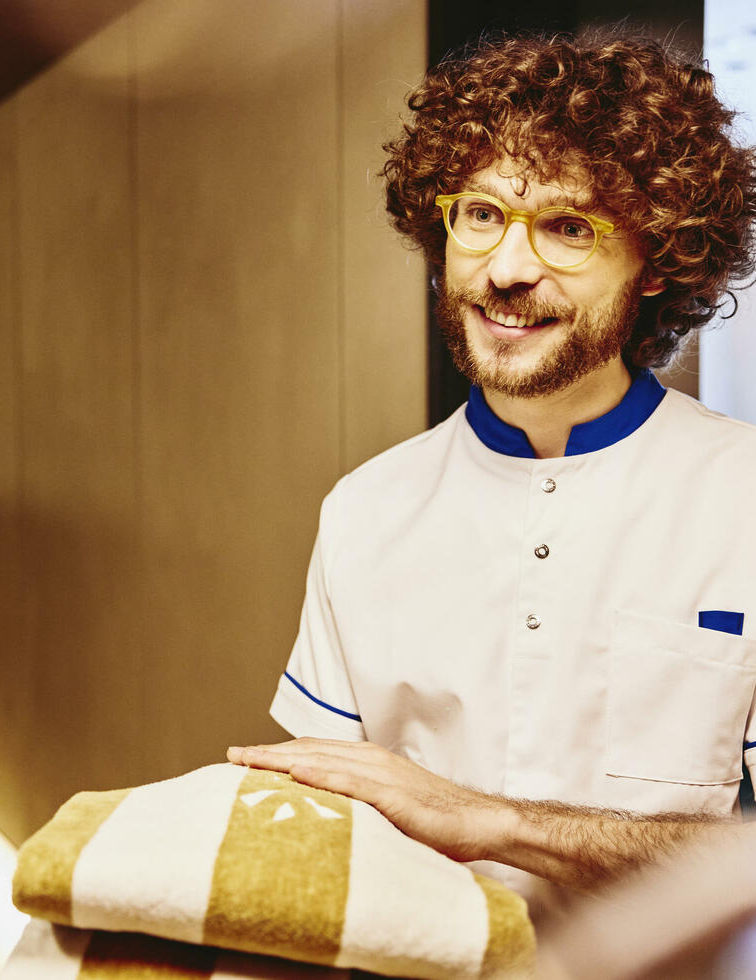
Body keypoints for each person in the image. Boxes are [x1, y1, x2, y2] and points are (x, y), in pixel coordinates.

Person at [226, 29, 756, 914]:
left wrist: (494, 823)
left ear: (657, 262)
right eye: (479, 215)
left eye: (567, 228)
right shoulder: (365, 510)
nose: (506, 270)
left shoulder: (743, 499)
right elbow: (324, 825)